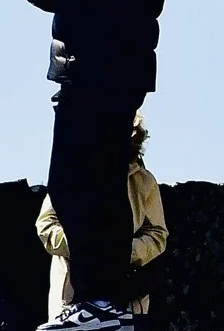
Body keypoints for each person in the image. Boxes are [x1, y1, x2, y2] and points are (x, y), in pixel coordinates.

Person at [5, 0, 172, 331]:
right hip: (126, 74)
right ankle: (110, 302)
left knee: (74, 185)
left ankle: (97, 298)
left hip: (90, 76)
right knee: (103, 184)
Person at [37, 114, 168, 320]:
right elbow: (46, 224)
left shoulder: (144, 181)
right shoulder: (72, 175)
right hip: (70, 302)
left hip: (128, 305)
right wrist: (83, 248)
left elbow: (157, 233)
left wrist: (123, 253)